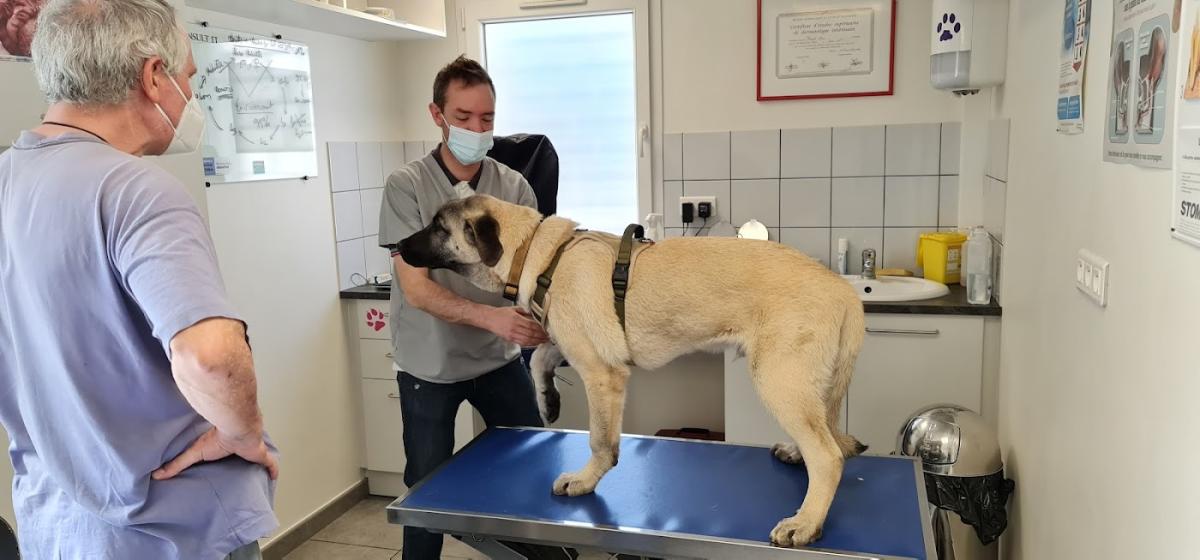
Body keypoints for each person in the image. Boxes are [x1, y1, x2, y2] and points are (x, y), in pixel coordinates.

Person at [0, 1, 278, 559]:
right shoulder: (134, 190)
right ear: (154, 77)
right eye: (189, 77)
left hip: (58, 527)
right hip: (169, 530)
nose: (191, 96)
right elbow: (211, 357)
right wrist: (243, 434)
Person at [379, 55, 561, 560]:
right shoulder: (407, 186)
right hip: (429, 364)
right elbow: (416, 289)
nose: (477, 130)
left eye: (487, 120)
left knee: (535, 471)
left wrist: (548, 317)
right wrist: (493, 317)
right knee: (426, 495)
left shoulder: (514, 187)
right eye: (463, 118)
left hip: (498, 359)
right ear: (436, 115)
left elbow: (532, 271)